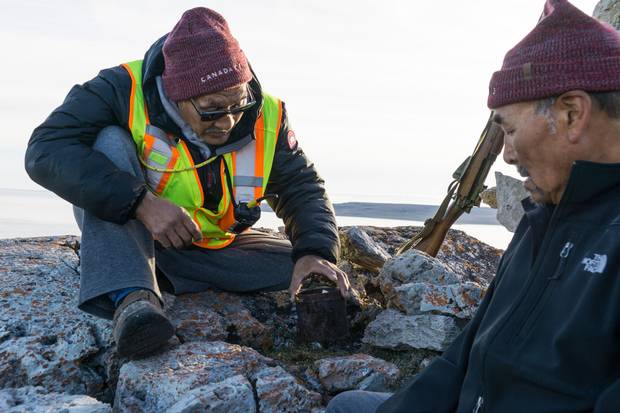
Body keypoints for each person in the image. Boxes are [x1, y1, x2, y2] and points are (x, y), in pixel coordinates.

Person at [326, 0, 620, 412]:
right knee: (350, 406)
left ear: (572, 113)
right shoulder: (543, 219)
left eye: (511, 130)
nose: (508, 156)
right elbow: (462, 358)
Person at [25, 7, 349, 359]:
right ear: (177, 95)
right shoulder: (118, 89)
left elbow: (301, 185)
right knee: (108, 142)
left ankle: (144, 270)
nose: (227, 121)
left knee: (308, 268)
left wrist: (314, 253)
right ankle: (134, 300)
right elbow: (45, 150)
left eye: (237, 105)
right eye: (211, 109)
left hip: (217, 247)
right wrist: (142, 203)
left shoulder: (267, 113)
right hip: (141, 230)